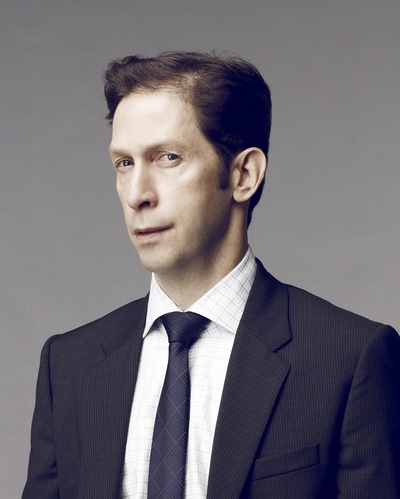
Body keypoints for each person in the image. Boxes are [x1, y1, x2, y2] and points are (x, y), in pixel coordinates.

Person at [23, 52, 400, 499]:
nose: (137, 194)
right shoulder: (69, 365)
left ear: (244, 175)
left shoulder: (350, 358)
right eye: (124, 163)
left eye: (167, 157)